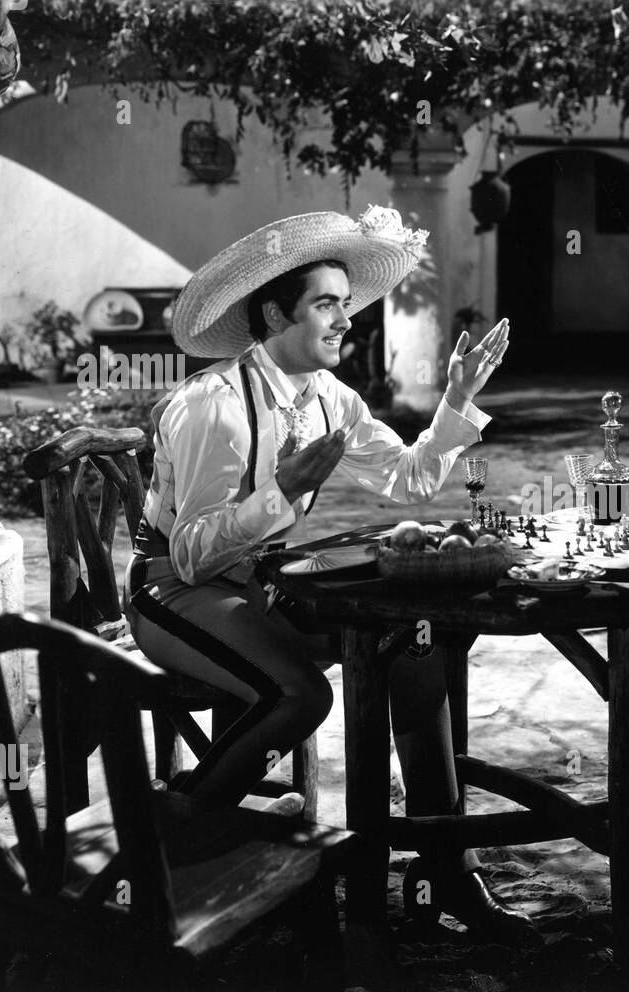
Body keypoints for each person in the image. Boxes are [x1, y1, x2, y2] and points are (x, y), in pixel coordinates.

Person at [125, 207, 534, 942]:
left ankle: (446, 867)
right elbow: (187, 554)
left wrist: (457, 399)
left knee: (416, 644)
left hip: (252, 581)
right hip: (172, 593)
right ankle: (178, 827)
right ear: (276, 313)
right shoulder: (212, 408)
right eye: (326, 304)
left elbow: (411, 480)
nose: (346, 321)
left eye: (346, 304)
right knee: (301, 692)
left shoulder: (330, 400)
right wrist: (278, 495)